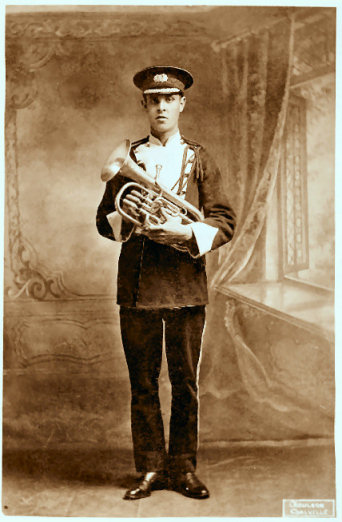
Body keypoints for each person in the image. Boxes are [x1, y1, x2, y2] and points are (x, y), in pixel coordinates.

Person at [96, 66, 235, 500]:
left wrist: (187, 234)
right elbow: (105, 219)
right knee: (142, 381)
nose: (160, 106)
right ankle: (151, 468)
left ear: (181, 104)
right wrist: (131, 219)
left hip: (184, 284)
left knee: (184, 383)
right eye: (153, 100)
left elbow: (224, 221)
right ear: (144, 105)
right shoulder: (128, 159)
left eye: (169, 98)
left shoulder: (201, 157)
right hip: (137, 285)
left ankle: (184, 468)